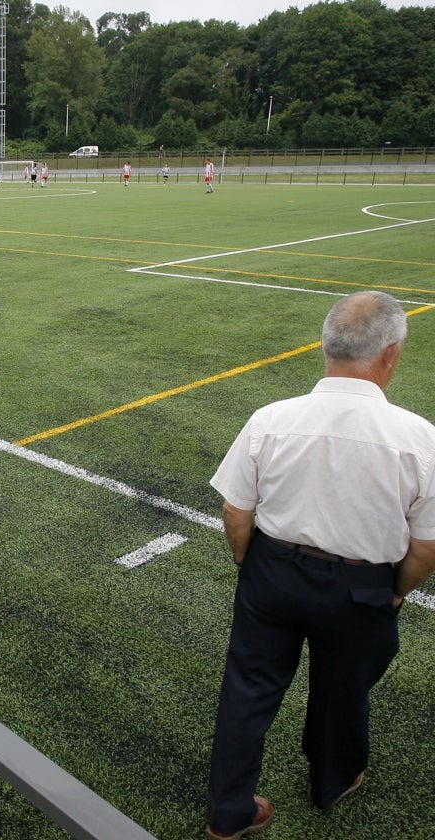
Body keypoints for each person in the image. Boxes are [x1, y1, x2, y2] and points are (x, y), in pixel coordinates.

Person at [204, 291, 435, 840]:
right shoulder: (419, 439)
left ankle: (227, 812)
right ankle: (332, 780)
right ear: (391, 354)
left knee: (248, 691)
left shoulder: (272, 418)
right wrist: (397, 590)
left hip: (272, 573)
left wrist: (250, 562)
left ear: (326, 346)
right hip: (360, 588)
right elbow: (426, 548)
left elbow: (236, 508)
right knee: (344, 689)